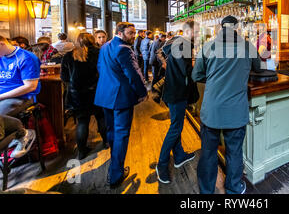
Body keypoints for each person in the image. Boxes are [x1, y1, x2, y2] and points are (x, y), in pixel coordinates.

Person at [192, 16, 262, 194]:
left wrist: (215, 78)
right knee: (234, 152)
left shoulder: (208, 46)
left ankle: (206, 190)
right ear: (237, 28)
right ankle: (234, 188)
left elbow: (196, 75)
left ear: (220, 28)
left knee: (208, 153)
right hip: (236, 112)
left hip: (212, 111)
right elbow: (258, 67)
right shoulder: (247, 47)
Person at [94, 22, 148, 188]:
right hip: (120, 97)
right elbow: (133, 73)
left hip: (105, 95)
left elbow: (100, 68)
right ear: (120, 32)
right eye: (130, 33)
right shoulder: (124, 49)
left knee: (111, 131)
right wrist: (143, 92)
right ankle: (116, 173)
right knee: (122, 134)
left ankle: (114, 160)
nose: (133, 36)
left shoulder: (105, 47)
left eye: (134, 33)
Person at [155, 21, 198, 184]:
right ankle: (162, 164)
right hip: (177, 92)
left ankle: (179, 155)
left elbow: (164, 56)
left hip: (173, 90)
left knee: (177, 124)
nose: (198, 34)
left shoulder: (175, 41)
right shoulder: (184, 45)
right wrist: (199, 65)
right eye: (196, 31)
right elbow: (186, 71)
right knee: (175, 128)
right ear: (189, 31)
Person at [61, 33, 107, 160]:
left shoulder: (69, 55)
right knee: (101, 117)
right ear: (93, 40)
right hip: (97, 91)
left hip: (77, 95)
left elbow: (64, 77)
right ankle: (107, 143)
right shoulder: (99, 53)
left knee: (82, 122)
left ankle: (81, 151)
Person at [0, 35, 40, 157]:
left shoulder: (26, 57)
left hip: (21, 97)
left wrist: (1, 96)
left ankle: (22, 133)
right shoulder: (2, 57)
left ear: (1, 44)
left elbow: (30, 86)